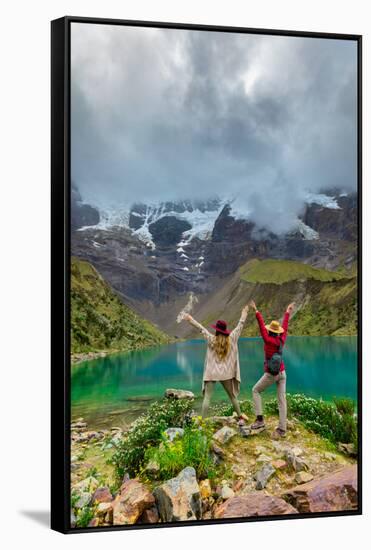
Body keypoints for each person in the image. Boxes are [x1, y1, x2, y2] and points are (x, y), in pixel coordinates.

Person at [183, 305, 249, 422]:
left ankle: (202, 422)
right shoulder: (232, 339)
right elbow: (240, 326)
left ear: (216, 330)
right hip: (226, 374)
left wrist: (190, 320)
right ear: (225, 330)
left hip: (212, 373)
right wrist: (244, 313)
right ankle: (239, 417)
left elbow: (201, 328)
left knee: (207, 398)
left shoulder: (211, 339)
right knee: (232, 396)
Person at [249, 300, 295, 438]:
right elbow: (285, 327)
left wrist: (256, 310)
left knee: (255, 390)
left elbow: (261, 326)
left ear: (270, 331)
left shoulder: (268, 340)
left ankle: (260, 420)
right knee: (282, 401)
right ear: (278, 332)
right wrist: (287, 312)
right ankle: (282, 429)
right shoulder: (282, 339)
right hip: (282, 373)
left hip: (271, 374)